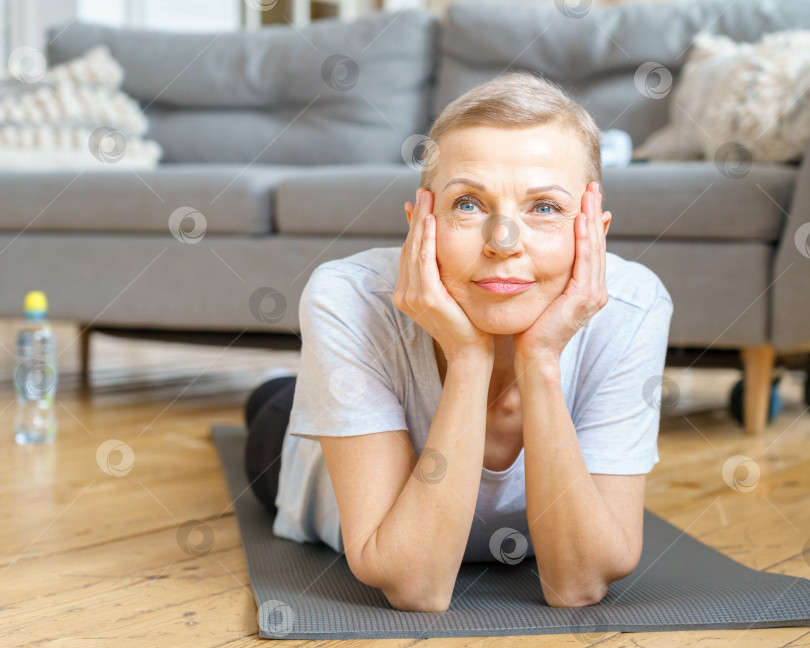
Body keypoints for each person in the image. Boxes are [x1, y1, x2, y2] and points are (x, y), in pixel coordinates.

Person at [243, 70, 674, 612]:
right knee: (270, 407)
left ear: (593, 232)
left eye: (544, 207)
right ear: (421, 221)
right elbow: (416, 585)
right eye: (468, 203)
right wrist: (468, 357)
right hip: (296, 458)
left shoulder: (634, 305)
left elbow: (578, 584)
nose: (502, 242)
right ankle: (282, 389)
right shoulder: (345, 294)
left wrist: (539, 359)